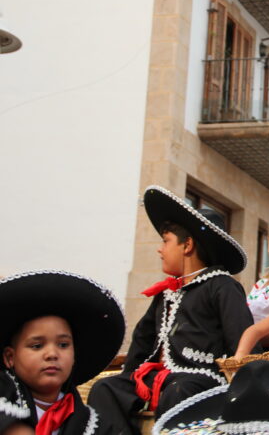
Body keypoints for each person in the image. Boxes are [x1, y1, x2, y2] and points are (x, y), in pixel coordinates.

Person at [88, 185, 253, 435]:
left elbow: (240, 337)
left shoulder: (222, 286)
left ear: (187, 245)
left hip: (203, 378)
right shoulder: (166, 292)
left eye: (166, 241)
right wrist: (131, 375)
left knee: (180, 391)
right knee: (106, 389)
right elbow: (143, 339)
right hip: (162, 377)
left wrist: (240, 383)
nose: (159, 249)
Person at [0, 270, 125, 435]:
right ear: (10, 357)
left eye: (63, 344)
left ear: (74, 355)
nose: (52, 354)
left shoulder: (94, 427)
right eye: (37, 346)